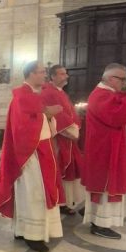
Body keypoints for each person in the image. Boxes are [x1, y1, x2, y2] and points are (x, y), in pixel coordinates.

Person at [0, 60, 63, 252]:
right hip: (30, 154)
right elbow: (21, 128)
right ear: (31, 74)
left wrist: (47, 115)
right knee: (33, 194)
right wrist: (47, 113)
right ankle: (32, 235)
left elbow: (38, 119)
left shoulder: (33, 95)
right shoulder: (21, 96)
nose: (45, 75)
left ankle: (23, 230)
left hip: (41, 151)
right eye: (41, 72)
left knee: (34, 193)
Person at [82, 63, 126, 239]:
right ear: (111, 79)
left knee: (108, 187)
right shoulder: (100, 95)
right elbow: (118, 113)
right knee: (106, 187)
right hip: (105, 151)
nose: (125, 83)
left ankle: (100, 219)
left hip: (110, 148)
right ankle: (100, 224)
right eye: (122, 79)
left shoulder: (108, 93)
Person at [41, 65, 84, 214]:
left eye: (66, 74)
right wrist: (72, 130)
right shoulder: (48, 92)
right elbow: (57, 116)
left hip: (67, 139)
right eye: (62, 74)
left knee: (69, 170)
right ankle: (59, 201)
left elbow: (70, 112)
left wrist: (76, 124)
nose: (66, 76)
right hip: (58, 139)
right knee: (59, 170)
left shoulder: (61, 92)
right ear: (52, 76)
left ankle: (65, 201)